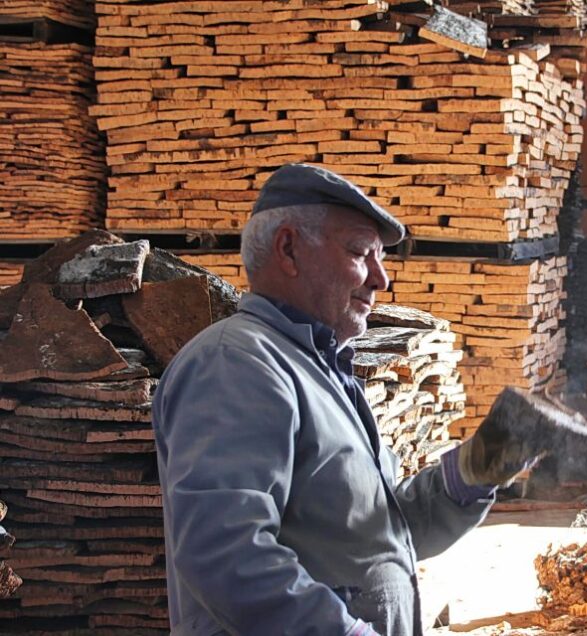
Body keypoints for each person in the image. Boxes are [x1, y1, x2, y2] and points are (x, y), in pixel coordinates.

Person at [152, 163, 542, 636]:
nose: (381, 279)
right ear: (288, 249)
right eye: (360, 252)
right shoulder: (236, 365)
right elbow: (226, 552)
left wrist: (489, 459)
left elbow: (378, 533)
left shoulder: (321, 368)